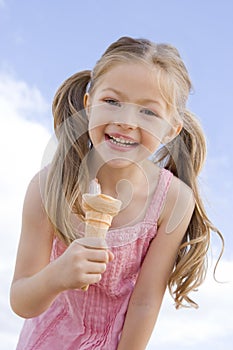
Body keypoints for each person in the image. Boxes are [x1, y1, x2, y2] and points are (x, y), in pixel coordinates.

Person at [10, 36, 224, 350]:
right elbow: (21, 301)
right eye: (112, 102)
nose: (125, 122)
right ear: (88, 105)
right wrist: (58, 275)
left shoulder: (173, 200)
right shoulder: (47, 188)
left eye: (148, 113)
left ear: (171, 130)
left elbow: (145, 303)